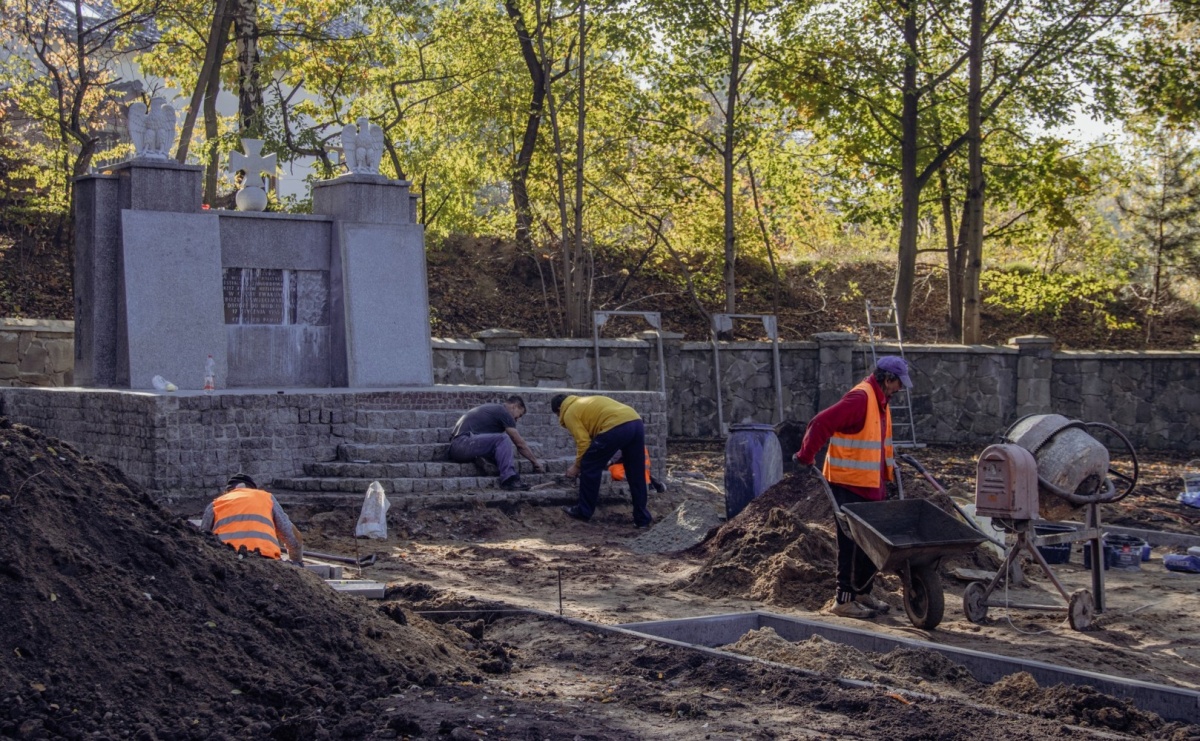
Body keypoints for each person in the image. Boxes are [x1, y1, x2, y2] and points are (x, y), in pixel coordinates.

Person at [793, 356, 912, 619]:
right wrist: (805, 456)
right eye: (898, 384)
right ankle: (843, 600)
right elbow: (821, 423)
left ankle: (861, 592)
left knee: (871, 544)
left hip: (870, 485)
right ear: (887, 379)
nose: (900, 389)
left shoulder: (880, 401)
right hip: (849, 484)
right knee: (850, 543)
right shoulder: (860, 398)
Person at [552, 393, 652, 528]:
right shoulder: (584, 402)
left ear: (559, 408)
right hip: (635, 421)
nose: (560, 418)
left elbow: (583, 442)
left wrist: (577, 466)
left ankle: (583, 511)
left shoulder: (569, 411)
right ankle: (642, 519)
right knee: (636, 472)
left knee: (588, 464)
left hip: (616, 425)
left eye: (558, 415)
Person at [201, 473, 304, 566]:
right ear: (254, 489)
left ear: (227, 492)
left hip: (227, 562)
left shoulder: (216, 504)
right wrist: (296, 562)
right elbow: (293, 538)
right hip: (267, 561)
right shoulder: (265, 498)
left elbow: (202, 540)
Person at [448, 395, 543, 491]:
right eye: (520, 415)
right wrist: (535, 462)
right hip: (462, 443)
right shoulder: (504, 412)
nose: (517, 419)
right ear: (514, 406)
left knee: (499, 441)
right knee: (502, 439)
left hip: (459, 445)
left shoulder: (496, 410)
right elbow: (520, 444)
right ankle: (509, 480)